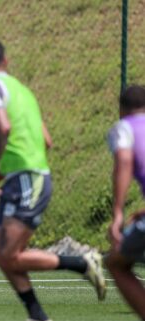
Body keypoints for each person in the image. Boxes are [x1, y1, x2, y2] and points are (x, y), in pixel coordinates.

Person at [0, 39, 106, 321]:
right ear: (6, 62)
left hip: (27, 179)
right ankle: (37, 314)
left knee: (9, 254)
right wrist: (2, 173)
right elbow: (46, 141)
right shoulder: (23, 92)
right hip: (24, 177)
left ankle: (82, 263)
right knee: (1, 254)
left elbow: (3, 127)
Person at [106, 85, 145, 321]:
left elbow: (123, 161)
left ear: (121, 111)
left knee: (116, 262)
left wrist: (118, 213)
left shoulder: (125, 128)